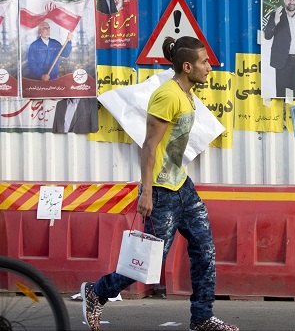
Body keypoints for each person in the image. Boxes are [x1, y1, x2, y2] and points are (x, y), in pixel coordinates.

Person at [81, 36, 239, 331]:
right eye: (204, 62)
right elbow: (149, 145)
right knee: (146, 265)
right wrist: (147, 192)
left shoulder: (187, 93)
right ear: (188, 65)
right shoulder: (167, 95)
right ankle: (97, 291)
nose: (209, 67)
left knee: (205, 252)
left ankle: (202, 318)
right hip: (162, 194)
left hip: (183, 187)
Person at [263, 0, 295, 98]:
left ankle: (290, 114)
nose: (291, 2)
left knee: (294, 92)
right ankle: (280, 114)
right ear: (284, 0)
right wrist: (275, 21)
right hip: (282, 61)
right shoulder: (276, 15)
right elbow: (267, 36)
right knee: (281, 93)